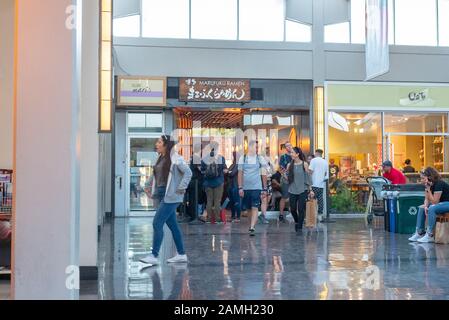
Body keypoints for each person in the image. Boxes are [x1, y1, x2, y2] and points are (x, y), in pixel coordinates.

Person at [140, 135, 192, 266]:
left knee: (157, 223)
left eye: (159, 142)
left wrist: (182, 187)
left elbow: (188, 173)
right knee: (173, 225)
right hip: (162, 194)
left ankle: (154, 255)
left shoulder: (176, 158)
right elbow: (155, 174)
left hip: (171, 196)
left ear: (166, 145)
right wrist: (147, 185)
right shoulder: (160, 158)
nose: (156, 144)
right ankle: (181, 254)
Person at [408, 167, 449, 243]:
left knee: (432, 208)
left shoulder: (439, 183)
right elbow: (426, 199)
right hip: (441, 203)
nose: (421, 180)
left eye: (423, 178)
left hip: (447, 203)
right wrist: (426, 206)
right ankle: (420, 232)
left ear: (429, 177)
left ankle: (430, 235)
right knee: (422, 207)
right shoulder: (428, 184)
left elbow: (435, 202)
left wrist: (428, 189)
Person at [238, 140, 268, 237]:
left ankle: (252, 227)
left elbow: (264, 173)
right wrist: (240, 187)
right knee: (248, 209)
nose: (256, 149)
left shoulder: (260, 158)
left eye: (257, 147)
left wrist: (264, 188)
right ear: (249, 147)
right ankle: (251, 223)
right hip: (246, 188)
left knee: (255, 207)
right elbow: (240, 173)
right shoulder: (243, 158)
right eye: (255, 147)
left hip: (256, 187)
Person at [287, 147, 314, 232]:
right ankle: (297, 221)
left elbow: (308, 177)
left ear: (297, 154)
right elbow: (287, 178)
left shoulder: (304, 164)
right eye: (290, 152)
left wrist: (310, 190)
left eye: (292, 152)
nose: (291, 154)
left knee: (301, 208)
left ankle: (299, 227)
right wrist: (284, 175)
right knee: (293, 209)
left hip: (303, 189)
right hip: (292, 189)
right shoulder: (289, 165)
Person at [201, 141, 227, 224]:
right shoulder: (221, 158)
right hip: (218, 182)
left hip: (208, 183)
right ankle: (217, 219)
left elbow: (202, 170)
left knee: (209, 200)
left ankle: (208, 219)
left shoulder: (204, 158)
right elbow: (224, 169)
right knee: (217, 201)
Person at [308, 149, 329, 222]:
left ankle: (311, 216)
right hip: (321, 185)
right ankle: (319, 215)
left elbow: (310, 171)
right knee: (320, 200)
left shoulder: (313, 160)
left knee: (312, 200)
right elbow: (326, 175)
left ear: (316, 153)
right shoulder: (325, 162)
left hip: (313, 183)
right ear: (321, 154)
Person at [278, 142, 293, 222]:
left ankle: (292, 213)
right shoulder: (283, 157)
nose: (289, 147)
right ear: (285, 148)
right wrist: (285, 176)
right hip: (285, 179)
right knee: (284, 197)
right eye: (287, 146)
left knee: (294, 196)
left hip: (295, 180)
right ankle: (281, 214)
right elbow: (281, 168)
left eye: (290, 145)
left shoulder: (295, 156)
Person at [227, 152, 241, 223]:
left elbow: (232, 173)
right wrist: (228, 171)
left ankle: (238, 217)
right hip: (231, 185)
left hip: (235, 185)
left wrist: (228, 171)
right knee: (232, 202)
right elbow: (228, 171)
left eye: (234, 155)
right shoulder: (233, 164)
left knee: (237, 202)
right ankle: (233, 216)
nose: (233, 157)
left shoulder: (238, 164)